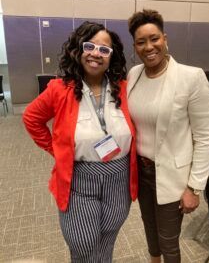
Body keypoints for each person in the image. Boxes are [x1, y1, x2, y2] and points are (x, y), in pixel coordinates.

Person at [23, 21, 138, 263]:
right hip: (80, 179)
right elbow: (31, 118)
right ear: (79, 49)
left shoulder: (124, 89)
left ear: (111, 56)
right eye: (90, 46)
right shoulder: (59, 89)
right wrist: (57, 150)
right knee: (83, 243)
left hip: (118, 179)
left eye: (104, 50)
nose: (97, 54)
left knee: (107, 238)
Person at [127, 9, 209, 263]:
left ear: (165, 38)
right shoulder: (134, 75)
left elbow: (205, 137)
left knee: (168, 241)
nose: (149, 47)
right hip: (142, 173)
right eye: (141, 42)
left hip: (173, 176)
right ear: (135, 46)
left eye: (154, 38)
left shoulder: (191, 77)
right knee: (150, 233)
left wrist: (194, 187)